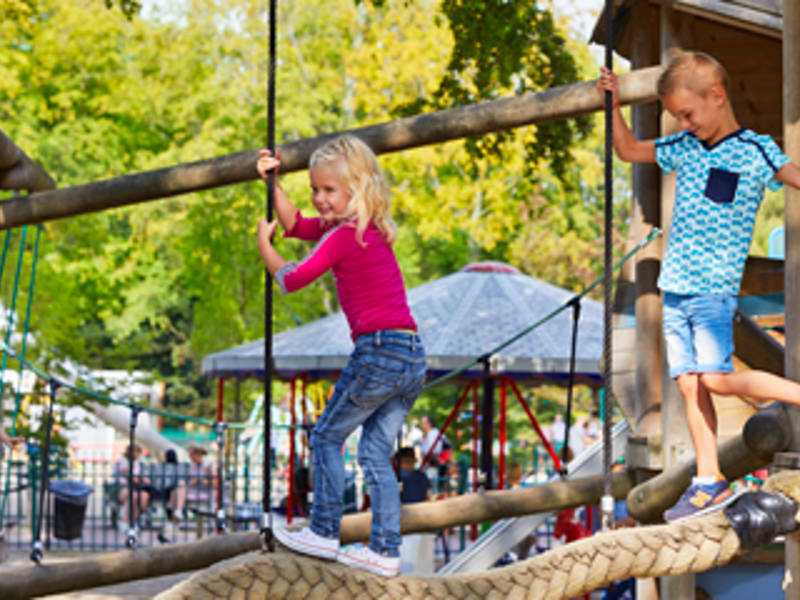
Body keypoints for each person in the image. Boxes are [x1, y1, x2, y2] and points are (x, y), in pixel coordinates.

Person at [598, 51, 800, 522]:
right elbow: (628, 150)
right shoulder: (684, 148)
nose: (684, 123)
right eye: (677, 117)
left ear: (717, 96)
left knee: (713, 378)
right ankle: (709, 480)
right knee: (690, 385)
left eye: (688, 114)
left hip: (712, 288)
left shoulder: (756, 149)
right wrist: (612, 105)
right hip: (677, 288)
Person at [257, 134, 427, 577]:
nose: (318, 198)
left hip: (379, 350)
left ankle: (324, 530)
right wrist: (273, 182)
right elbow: (295, 224)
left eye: (328, 190)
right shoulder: (361, 229)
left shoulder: (344, 236)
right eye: (314, 189)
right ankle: (386, 551)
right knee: (374, 454)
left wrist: (264, 246)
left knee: (326, 437)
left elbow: (293, 279)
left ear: (358, 189)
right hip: (410, 354)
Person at [112, 444, 151, 531]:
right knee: (132, 496)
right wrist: (139, 478)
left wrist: (142, 478)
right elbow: (129, 474)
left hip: (134, 488)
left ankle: (133, 521)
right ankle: (124, 521)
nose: (139, 456)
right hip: (120, 487)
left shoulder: (136, 462)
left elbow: (136, 477)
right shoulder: (123, 460)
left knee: (140, 496)